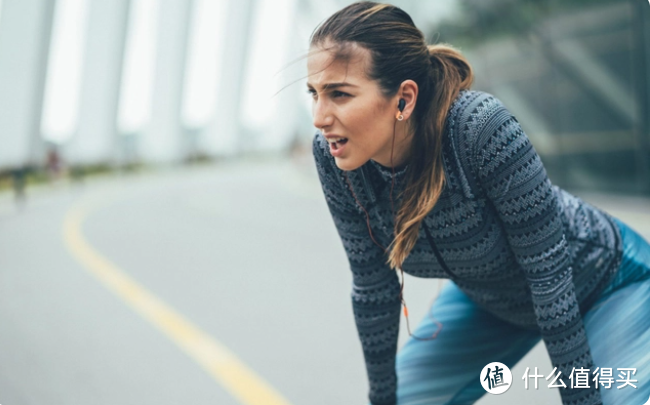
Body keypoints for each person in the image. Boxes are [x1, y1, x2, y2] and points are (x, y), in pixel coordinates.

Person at [307, 2, 650, 405]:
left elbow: (549, 278)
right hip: (490, 300)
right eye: (313, 93)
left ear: (403, 99)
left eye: (339, 94)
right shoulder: (336, 161)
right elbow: (373, 288)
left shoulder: (478, 129)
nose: (319, 117)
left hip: (604, 282)